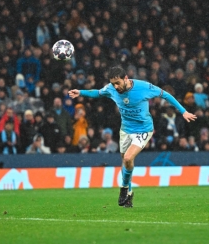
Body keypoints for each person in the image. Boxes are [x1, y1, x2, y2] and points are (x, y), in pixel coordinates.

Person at [69, 66, 196, 208]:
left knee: (128, 158)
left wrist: (183, 111)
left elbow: (165, 95)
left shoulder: (143, 87)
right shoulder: (111, 88)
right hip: (125, 130)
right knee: (125, 162)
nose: (115, 87)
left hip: (143, 130)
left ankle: (123, 188)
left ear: (126, 79)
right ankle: (129, 195)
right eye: (113, 84)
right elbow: (97, 93)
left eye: (117, 83)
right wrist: (80, 92)